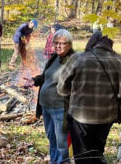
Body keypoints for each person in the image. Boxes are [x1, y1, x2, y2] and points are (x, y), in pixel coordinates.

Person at [57, 32, 121, 164]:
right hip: (107, 118)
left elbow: (61, 88)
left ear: (90, 43)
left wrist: (74, 98)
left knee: (83, 156)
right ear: (109, 46)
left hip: (80, 117)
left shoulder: (78, 58)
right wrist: (115, 105)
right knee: (97, 152)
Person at [24, 29, 74, 164]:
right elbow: (46, 76)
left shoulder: (73, 61)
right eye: (56, 43)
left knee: (61, 141)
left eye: (62, 43)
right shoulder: (54, 58)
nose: (58, 46)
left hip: (60, 108)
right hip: (46, 106)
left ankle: (63, 162)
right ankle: (54, 161)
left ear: (69, 44)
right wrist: (34, 80)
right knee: (51, 137)